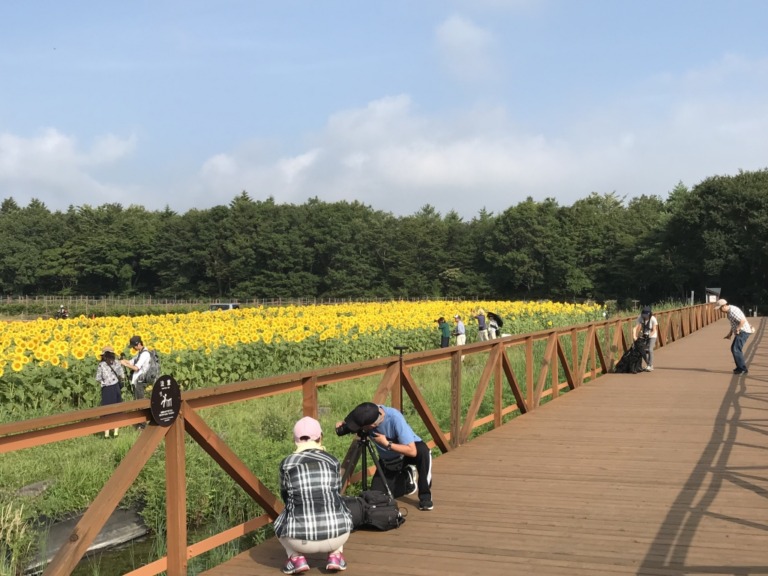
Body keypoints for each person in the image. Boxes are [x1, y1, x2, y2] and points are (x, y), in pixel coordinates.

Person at [273, 417, 353, 574]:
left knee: (280, 521)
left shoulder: (287, 463)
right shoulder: (332, 461)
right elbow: (336, 491)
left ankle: (296, 558)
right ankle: (335, 555)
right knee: (339, 506)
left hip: (300, 541)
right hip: (338, 535)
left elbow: (285, 494)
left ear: (294, 439)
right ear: (320, 437)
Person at [338, 402, 434, 511]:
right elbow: (355, 420)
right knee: (379, 497)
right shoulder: (368, 411)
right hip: (389, 460)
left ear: (372, 425)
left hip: (409, 451)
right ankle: (406, 478)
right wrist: (344, 425)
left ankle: (425, 496)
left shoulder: (394, 418)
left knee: (423, 451)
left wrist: (387, 444)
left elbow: (412, 451)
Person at [716, 298, 754, 375]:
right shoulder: (729, 311)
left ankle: (742, 369)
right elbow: (734, 323)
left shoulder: (733, 312)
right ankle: (739, 367)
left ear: (724, 306)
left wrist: (738, 329)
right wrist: (730, 333)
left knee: (736, 349)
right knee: (734, 348)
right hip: (741, 331)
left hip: (743, 331)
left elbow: (742, 321)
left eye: (720, 309)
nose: (720, 311)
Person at [96, 345, 124, 438]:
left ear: (103, 355)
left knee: (106, 410)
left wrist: (105, 380)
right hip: (116, 387)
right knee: (116, 409)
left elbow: (98, 378)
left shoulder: (101, 365)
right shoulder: (117, 363)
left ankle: (106, 433)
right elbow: (122, 375)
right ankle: (116, 432)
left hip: (106, 389)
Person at [120, 335, 150, 402]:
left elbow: (136, 368)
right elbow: (132, 362)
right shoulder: (140, 352)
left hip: (140, 380)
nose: (133, 348)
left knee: (140, 401)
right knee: (137, 399)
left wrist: (125, 364)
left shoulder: (145, 354)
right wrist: (123, 361)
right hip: (137, 380)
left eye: (134, 346)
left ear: (139, 344)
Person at [632, 306, 658, 371]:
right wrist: (634, 336)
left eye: (646, 315)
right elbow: (636, 327)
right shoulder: (640, 317)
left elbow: (654, 330)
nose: (645, 316)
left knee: (650, 349)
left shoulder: (653, 319)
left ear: (649, 314)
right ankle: (643, 365)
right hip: (644, 335)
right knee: (641, 350)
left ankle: (650, 365)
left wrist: (649, 335)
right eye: (643, 314)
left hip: (652, 335)